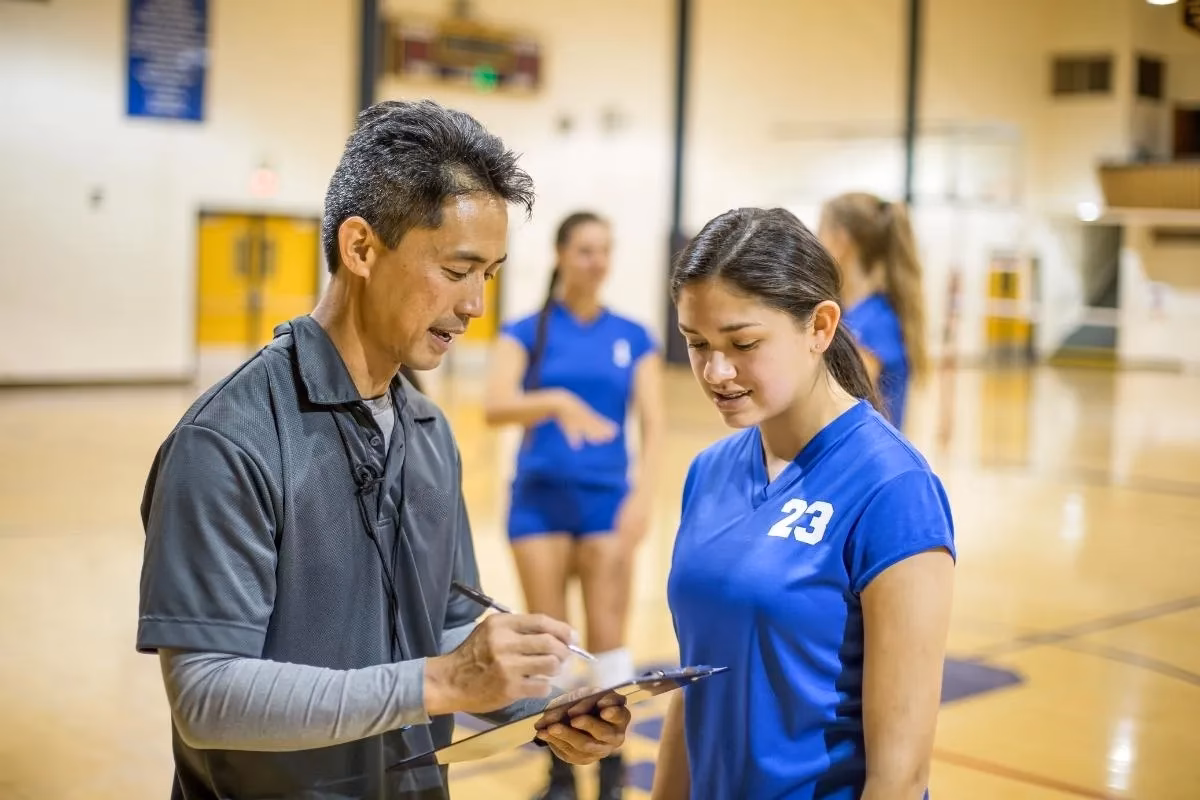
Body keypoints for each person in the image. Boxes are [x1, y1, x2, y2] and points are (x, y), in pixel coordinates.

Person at [136, 99, 630, 800]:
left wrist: (541, 708)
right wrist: (441, 681)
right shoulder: (227, 440)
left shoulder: (429, 435)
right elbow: (207, 695)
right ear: (360, 247)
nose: (475, 306)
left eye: (488, 274)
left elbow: (449, 623)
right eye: (458, 270)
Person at [651, 207, 956, 799]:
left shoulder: (893, 490)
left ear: (819, 327)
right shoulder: (708, 472)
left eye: (743, 343)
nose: (716, 370)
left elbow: (900, 776)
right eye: (696, 343)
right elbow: (694, 693)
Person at [483, 212, 664, 800]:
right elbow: (495, 405)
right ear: (561, 255)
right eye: (586, 249)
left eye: (606, 249)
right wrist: (556, 400)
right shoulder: (526, 329)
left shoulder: (632, 335)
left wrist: (643, 497)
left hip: (606, 503)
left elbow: (655, 426)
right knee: (551, 645)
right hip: (538, 500)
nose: (598, 260)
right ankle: (560, 771)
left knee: (609, 641)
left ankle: (613, 769)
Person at [817, 191, 930, 430]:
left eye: (821, 232)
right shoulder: (848, 314)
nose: (816, 243)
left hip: (866, 461)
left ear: (841, 240)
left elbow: (840, 406)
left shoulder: (876, 321)